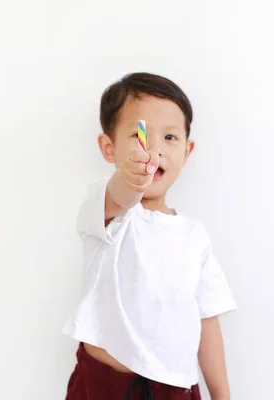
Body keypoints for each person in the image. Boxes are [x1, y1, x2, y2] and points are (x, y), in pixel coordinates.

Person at [63, 72, 237, 400]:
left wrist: (222, 395)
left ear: (188, 151)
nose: (154, 149)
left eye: (170, 138)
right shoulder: (105, 209)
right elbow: (122, 192)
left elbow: (207, 323)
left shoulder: (194, 236)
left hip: (174, 388)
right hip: (104, 385)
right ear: (108, 147)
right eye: (139, 134)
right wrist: (132, 177)